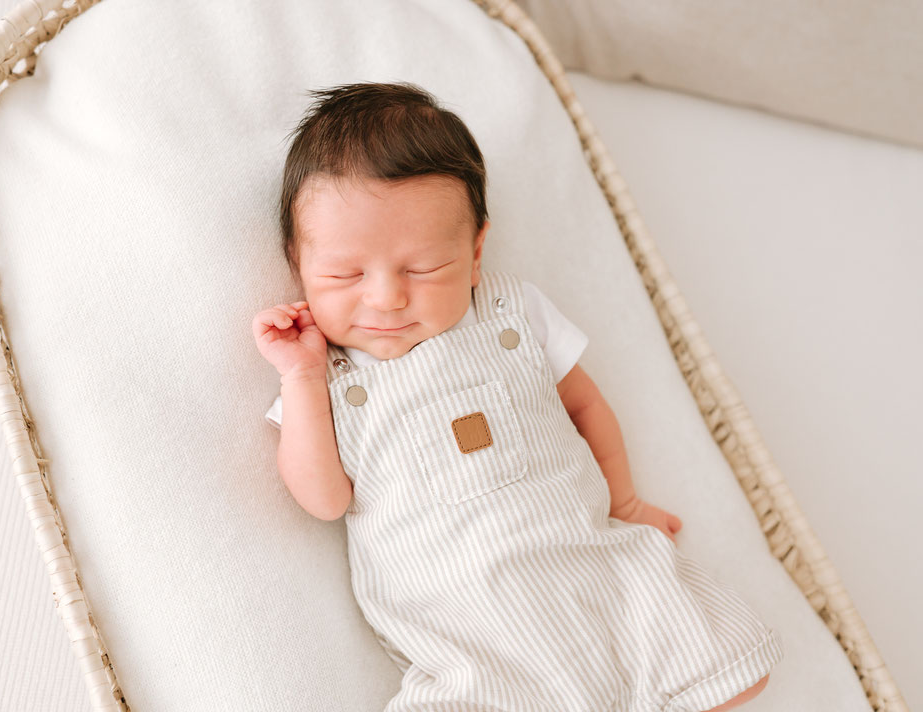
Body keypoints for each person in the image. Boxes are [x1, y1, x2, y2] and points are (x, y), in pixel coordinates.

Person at [251, 81, 781, 711]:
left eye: (423, 268)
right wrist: (301, 377)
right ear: (298, 266)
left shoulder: (509, 313)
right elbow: (324, 499)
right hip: (465, 630)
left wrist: (626, 500)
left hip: (586, 565)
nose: (387, 297)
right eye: (346, 275)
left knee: (728, 666)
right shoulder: (326, 377)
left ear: (475, 254)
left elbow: (585, 407)